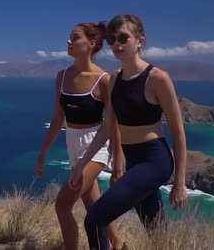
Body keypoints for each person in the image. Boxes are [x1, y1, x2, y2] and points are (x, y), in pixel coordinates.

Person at [68, 14, 188, 250]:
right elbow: (107, 127)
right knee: (157, 232)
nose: (117, 45)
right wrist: (82, 164)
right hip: (134, 161)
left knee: (94, 220)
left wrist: (180, 183)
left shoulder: (158, 79)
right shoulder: (114, 80)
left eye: (123, 38)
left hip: (155, 160)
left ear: (140, 41)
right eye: (112, 40)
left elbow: (178, 132)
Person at [35, 22, 125, 250]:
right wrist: (43, 153)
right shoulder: (62, 77)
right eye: (69, 37)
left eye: (74, 38)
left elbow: (113, 124)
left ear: (91, 44)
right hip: (72, 145)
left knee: (62, 205)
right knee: (96, 209)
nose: (68, 41)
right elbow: (57, 119)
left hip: (95, 147)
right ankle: (119, 246)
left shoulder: (103, 80)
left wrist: (117, 167)